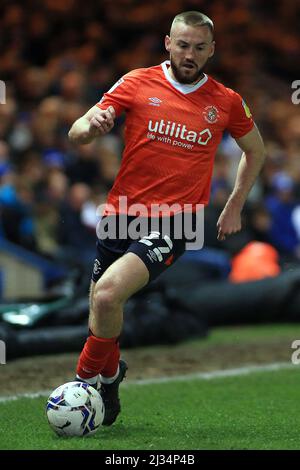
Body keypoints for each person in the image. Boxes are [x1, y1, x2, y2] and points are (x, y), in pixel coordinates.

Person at [68, 11, 265, 426]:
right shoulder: (137, 82)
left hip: (177, 222)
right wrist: (91, 126)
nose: (189, 54)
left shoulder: (226, 101)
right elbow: (77, 129)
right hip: (122, 214)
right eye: (182, 44)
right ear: (167, 43)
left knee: (106, 296)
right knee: (100, 314)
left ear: (211, 50)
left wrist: (234, 204)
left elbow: (256, 151)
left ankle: (81, 387)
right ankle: (110, 376)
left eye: (198, 47)